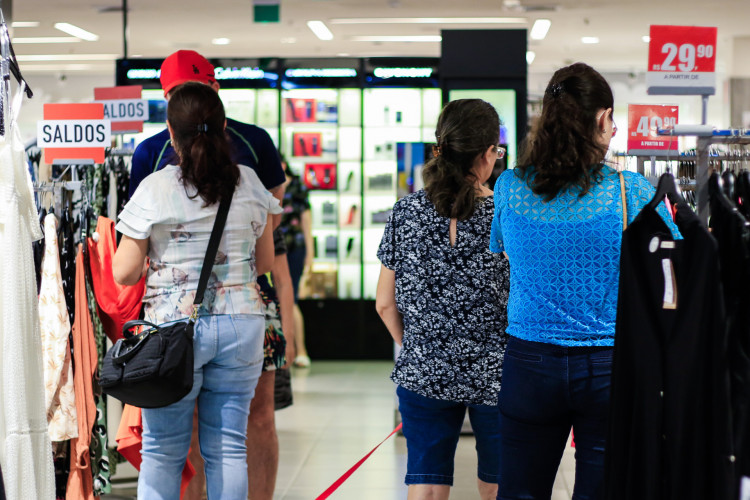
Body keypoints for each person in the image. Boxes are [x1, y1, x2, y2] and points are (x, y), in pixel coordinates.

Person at [490, 62, 681, 499]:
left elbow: (503, 251)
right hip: (608, 364)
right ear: (600, 119)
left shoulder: (509, 187)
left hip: (528, 361)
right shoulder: (629, 189)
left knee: (520, 491)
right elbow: (674, 258)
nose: (614, 131)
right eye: (612, 120)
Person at [127, 49, 290, 500]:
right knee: (228, 445)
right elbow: (265, 258)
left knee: (163, 447)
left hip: (174, 323)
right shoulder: (250, 177)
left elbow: (126, 268)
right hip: (244, 316)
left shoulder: (155, 176)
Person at [375, 99, 510, 500]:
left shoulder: (406, 212)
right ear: (487, 153)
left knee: (427, 482)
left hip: (424, 370)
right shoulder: (505, 213)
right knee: (500, 481)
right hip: (498, 372)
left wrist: (418, 346)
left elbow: (384, 303)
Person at [278, 155, 314, 368]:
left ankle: (299, 349)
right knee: (284, 299)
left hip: (294, 249)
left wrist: (310, 254)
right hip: (274, 249)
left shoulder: (298, 188)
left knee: (290, 299)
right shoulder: (269, 186)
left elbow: (306, 224)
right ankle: (290, 349)